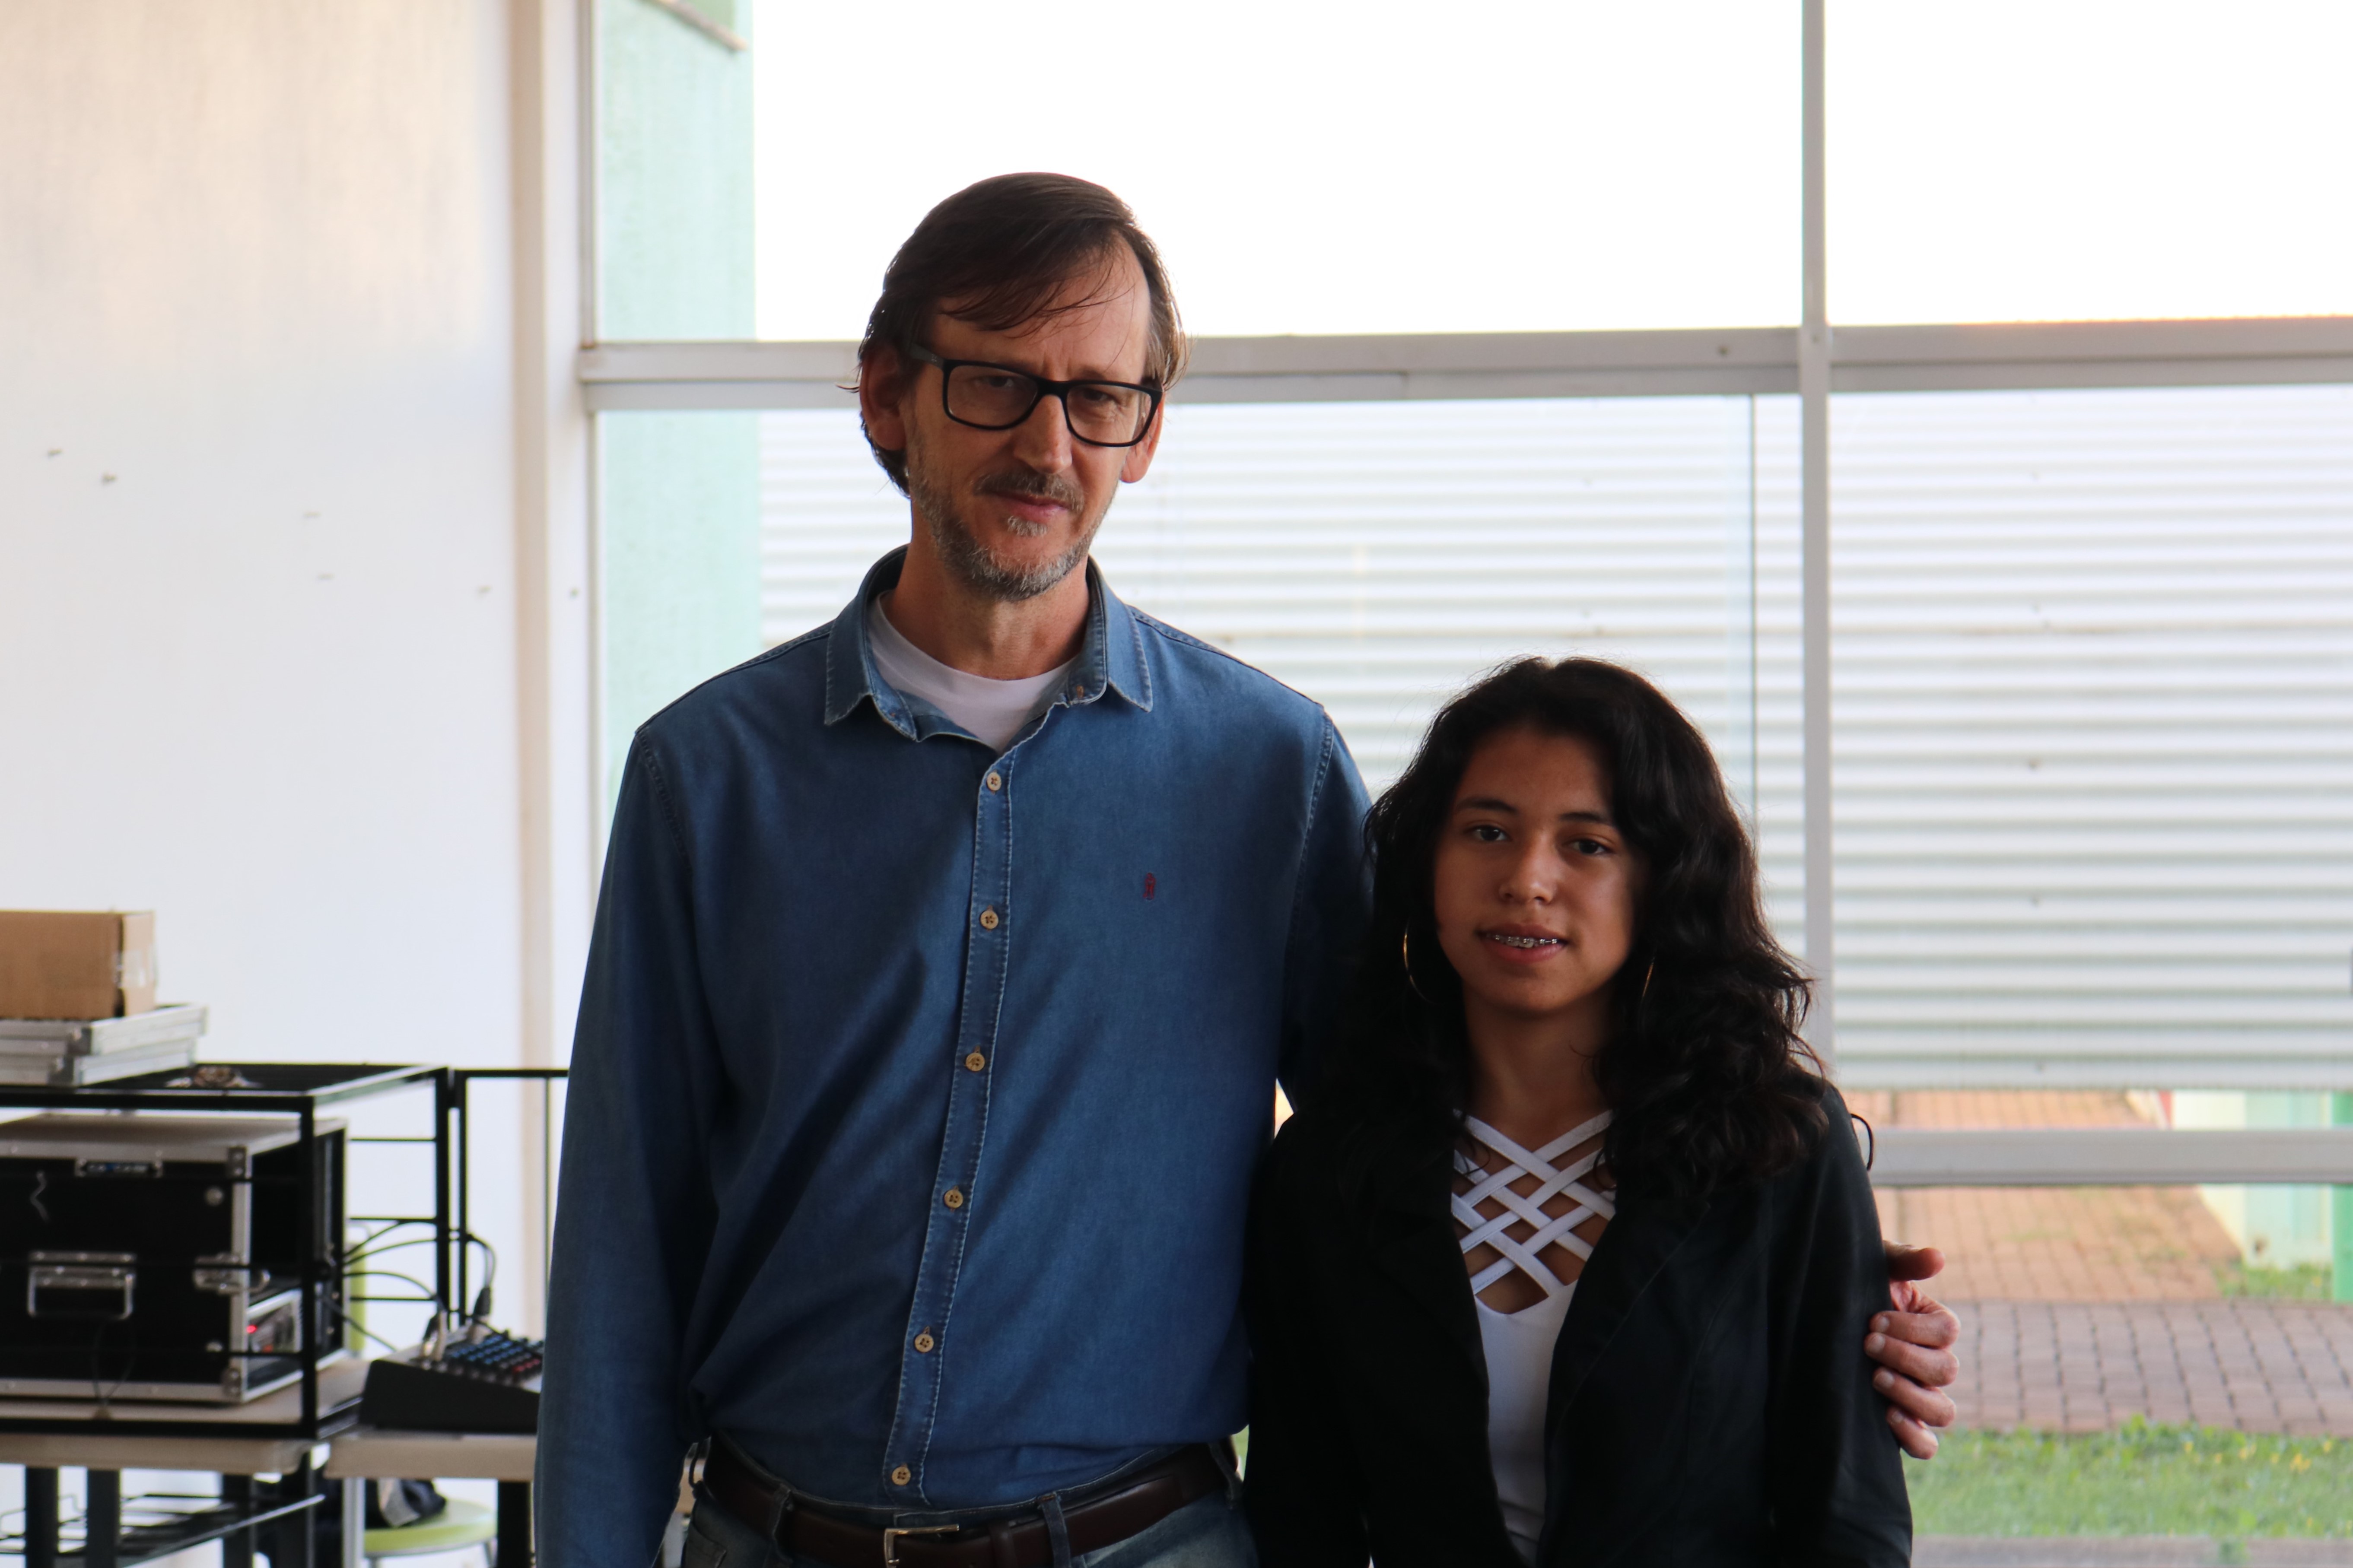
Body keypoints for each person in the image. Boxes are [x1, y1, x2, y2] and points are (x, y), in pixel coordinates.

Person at [537, 174, 1956, 1568]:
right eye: (996, 382)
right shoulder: (705, 777)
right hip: (773, 1533)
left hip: (1145, 1540)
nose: (1048, 442)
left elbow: (1418, 1128)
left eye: (1100, 395)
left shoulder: (1269, 769)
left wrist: (1802, 1284)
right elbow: (621, 1240)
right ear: (884, 396)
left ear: (1145, 431)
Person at [1244, 657, 1914, 1567]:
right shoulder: (1329, 1165)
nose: (1527, 879)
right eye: (1486, 831)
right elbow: (1297, 1518)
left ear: (1661, 880)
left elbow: (1847, 1523)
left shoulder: (1775, 1144)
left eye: (1587, 844)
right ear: (1425, 864)